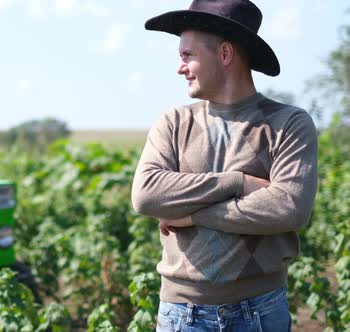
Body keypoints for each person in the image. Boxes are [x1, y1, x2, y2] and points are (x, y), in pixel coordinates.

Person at [131, 0, 318, 331]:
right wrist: (237, 182)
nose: (180, 67)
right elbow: (146, 195)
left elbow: (289, 208)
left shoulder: (288, 123)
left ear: (225, 54)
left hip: (260, 312)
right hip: (181, 314)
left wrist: (189, 215)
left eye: (188, 56)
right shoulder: (173, 122)